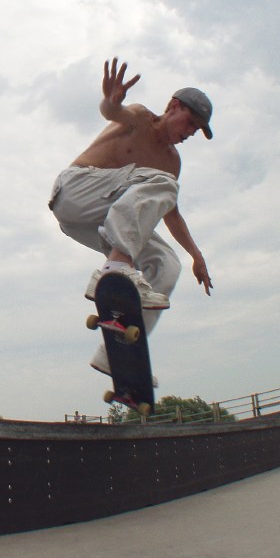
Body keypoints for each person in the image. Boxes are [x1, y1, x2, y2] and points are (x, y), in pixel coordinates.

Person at [48, 56, 214, 376]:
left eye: (196, 130)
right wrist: (110, 101)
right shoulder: (139, 118)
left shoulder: (172, 163)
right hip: (73, 192)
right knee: (163, 183)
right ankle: (117, 267)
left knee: (167, 264)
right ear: (174, 107)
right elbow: (113, 112)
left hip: (91, 222)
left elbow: (171, 213)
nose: (191, 133)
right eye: (191, 123)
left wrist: (196, 255)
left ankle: (117, 350)